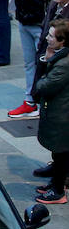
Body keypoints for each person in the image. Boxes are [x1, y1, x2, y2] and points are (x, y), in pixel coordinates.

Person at [31, 20, 69, 204]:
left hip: (62, 116)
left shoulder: (63, 65)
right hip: (60, 113)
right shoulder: (62, 58)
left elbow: (44, 85)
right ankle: (55, 183)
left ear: (62, 41)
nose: (47, 38)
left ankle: (58, 190)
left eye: (52, 36)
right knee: (58, 154)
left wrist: (45, 63)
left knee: (61, 155)